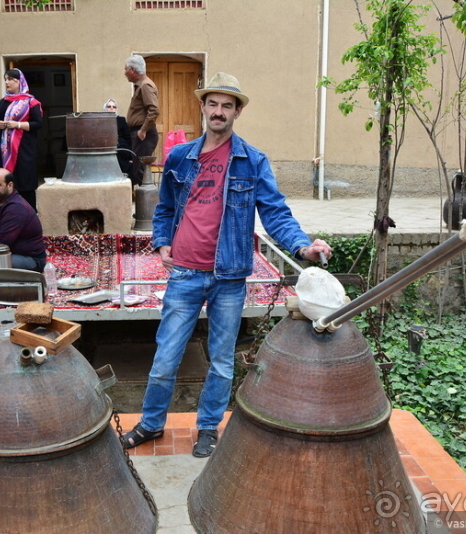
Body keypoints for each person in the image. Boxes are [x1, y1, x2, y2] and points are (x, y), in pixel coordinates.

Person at [121, 72, 332, 458]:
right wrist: (162, 241)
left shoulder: (252, 161)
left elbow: (275, 213)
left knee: (220, 360)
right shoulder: (180, 157)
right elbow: (165, 207)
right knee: (166, 355)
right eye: (213, 104)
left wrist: (302, 247)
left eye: (227, 105)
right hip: (183, 273)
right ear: (202, 107)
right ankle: (151, 423)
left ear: (237, 112)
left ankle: (206, 428)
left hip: (229, 276)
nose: (219, 112)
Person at [0, 69, 43, 211]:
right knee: (5, 180)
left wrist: (17, 125)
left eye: (10, 79)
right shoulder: (3, 102)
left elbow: (38, 124)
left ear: (18, 81)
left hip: (24, 149)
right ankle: (6, 213)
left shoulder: (31, 102)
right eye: (5, 79)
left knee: (25, 181)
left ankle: (28, 214)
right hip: (4, 150)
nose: (7, 82)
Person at [124, 55, 160, 186]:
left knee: (141, 173)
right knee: (139, 172)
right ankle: (145, 205)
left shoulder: (145, 85)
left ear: (132, 70)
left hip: (144, 134)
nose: (124, 73)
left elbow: (154, 110)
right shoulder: (140, 85)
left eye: (126, 69)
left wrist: (143, 130)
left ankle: (150, 205)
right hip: (140, 134)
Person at [104, 98, 134, 177]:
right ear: (105, 108)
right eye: (109, 106)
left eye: (114, 107)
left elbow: (128, 138)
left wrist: (131, 157)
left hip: (121, 150)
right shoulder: (101, 120)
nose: (111, 108)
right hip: (107, 150)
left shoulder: (121, 120)